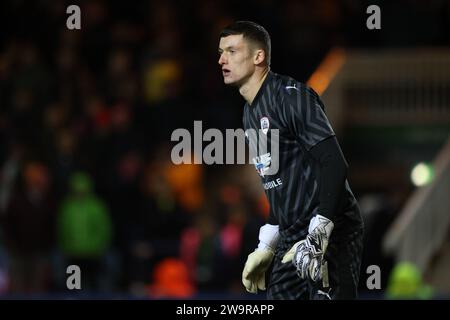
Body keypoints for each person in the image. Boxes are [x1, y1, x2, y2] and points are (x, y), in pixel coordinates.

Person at [218, 21, 364, 300]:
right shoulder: (249, 114)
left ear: (258, 56)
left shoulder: (291, 97)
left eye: (232, 51)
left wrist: (319, 235)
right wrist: (266, 245)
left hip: (329, 230)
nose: (221, 59)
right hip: (291, 237)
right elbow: (278, 184)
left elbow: (334, 164)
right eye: (221, 52)